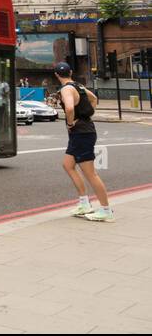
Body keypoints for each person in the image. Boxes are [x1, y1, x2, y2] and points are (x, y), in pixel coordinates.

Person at [56, 62, 112, 221]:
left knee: (90, 174)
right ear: (71, 72)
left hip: (81, 133)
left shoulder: (66, 89)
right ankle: (84, 203)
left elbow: (69, 108)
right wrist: (88, 115)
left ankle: (106, 210)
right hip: (83, 131)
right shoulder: (78, 86)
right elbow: (94, 98)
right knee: (68, 165)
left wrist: (70, 122)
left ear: (56, 75)